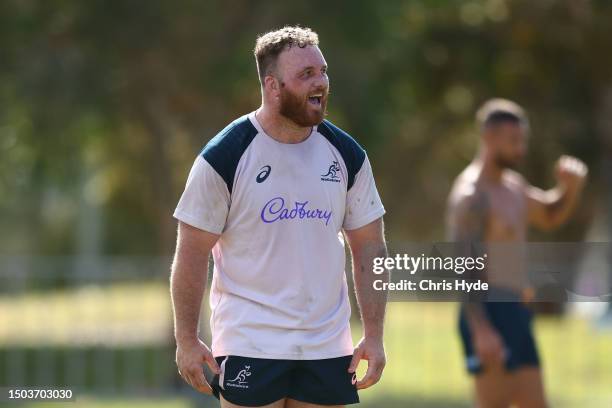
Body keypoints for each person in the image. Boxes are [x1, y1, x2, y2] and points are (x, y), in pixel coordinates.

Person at [170, 26, 388, 408]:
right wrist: (187, 340)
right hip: (250, 342)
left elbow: (369, 247)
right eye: (306, 75)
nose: (320, 82)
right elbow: (191, 253)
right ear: (273, 86)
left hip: (326, 345)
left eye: (322, 72)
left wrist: (374, 334)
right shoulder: (225, 156)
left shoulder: (347, 155)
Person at [446, 99, 587, 407]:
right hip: (488, 312)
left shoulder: (513, 187)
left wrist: (571, 188)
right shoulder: (472, 196)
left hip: (516, 312)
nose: (520, 149)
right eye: (513, 141)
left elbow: (549, 215)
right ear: (488, 137)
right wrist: (481, 329)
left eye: (522, 140)